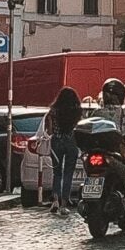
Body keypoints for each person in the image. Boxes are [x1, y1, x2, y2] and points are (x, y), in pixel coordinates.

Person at [45, 87, 82, 215]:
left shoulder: (53, 111)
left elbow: (49, 131)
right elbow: (79, 127)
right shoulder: (76, 111)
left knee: (57, 173)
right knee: (68, 173)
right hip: (71, 142)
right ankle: (64, 204)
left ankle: (55, 200)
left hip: (56, 141)